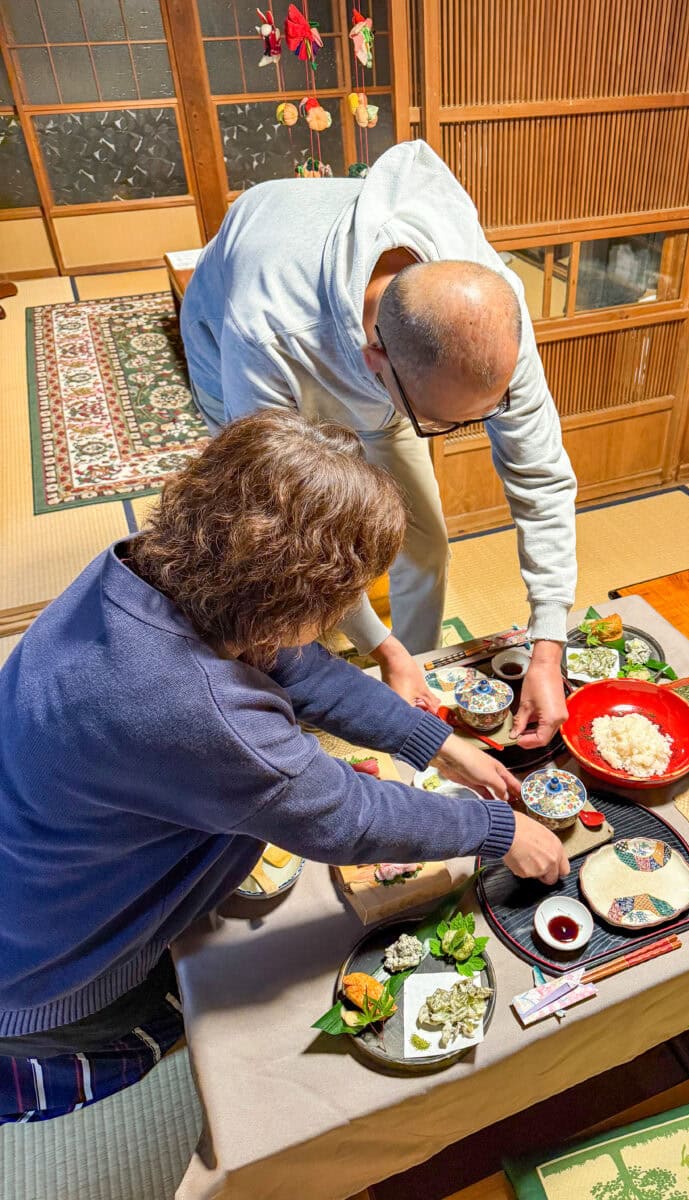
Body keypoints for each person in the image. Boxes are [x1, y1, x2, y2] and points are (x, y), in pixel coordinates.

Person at [0, 412, 568, 1122]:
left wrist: (434, 742)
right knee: (173, 1021)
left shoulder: (148, 566)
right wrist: (499, 831)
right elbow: (343, 816)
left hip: (36, 852)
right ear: (289, 595)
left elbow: (299, 667)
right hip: (49, 958)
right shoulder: (200, 708)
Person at [180, 139, 578, 750]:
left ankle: (415, 674)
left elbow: (541, 475)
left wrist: (548, 644)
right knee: (278, 549)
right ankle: (327, 675)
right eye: (441, 423)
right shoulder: (267, 330)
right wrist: (377, 645)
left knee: (426, 547)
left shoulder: (491, 310)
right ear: (377, 361)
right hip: (238, 328)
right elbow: (290, 527)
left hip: (385, 376)